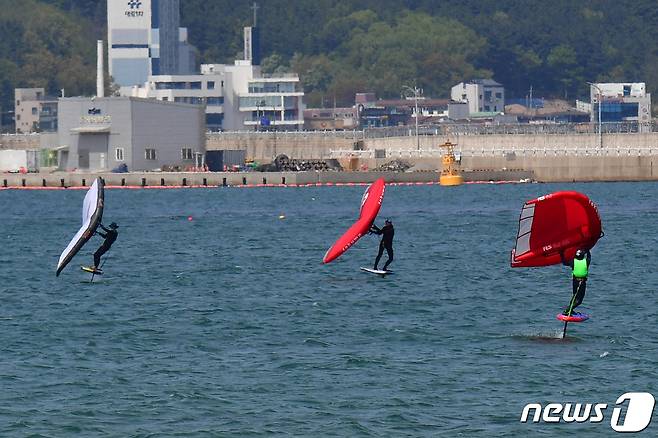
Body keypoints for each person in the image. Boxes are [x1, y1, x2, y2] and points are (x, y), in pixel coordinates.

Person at [561, 248, 591, 315]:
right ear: (583, 256)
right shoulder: (586, 262)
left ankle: (570, 310)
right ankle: (567, 310)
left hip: (575, 282)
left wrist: (561, 253)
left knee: (574, 296)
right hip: (582, 283)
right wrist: (588, 249)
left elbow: (564, 262)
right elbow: (589, 257)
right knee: (579, 300)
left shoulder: (573, 262)